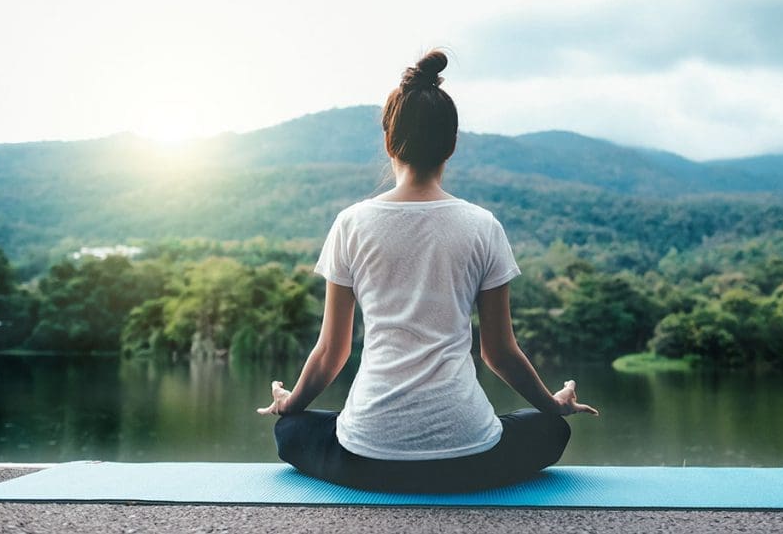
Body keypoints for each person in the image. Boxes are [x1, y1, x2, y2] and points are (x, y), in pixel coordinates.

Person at [256, 49, 598, 493]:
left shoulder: (351, 223)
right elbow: (499, 352)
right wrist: (553, 406)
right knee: (552, 430)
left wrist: (290, 405)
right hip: (468, 458)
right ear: (452, 144)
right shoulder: (483, 225)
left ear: (388, 141)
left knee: (291, 432)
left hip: (367, 457)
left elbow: (331, 352)